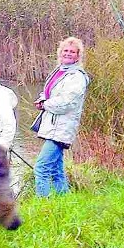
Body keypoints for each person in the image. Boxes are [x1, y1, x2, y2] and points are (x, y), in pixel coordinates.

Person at [32, 36, 90, 197]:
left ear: (78, 56)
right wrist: (42, 99)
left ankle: (42, 205)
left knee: (41, 168)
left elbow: (67, 103)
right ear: (60, 52)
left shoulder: (77, 77)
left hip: (61, 130)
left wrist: (46, 105)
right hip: (52, 127)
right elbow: (51, 93)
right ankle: (65, 201)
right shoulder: (60, 72)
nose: (68, 54)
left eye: (72, 52)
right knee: (56, 170)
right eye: (65, 50)